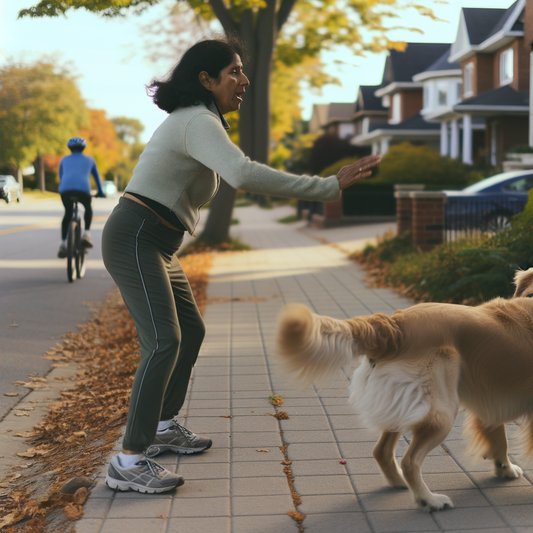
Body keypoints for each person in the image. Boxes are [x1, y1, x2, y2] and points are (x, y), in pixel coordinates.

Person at [101, 35, 381, 494]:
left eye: (242, 71)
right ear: (205, 79)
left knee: (190, 331)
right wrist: (327, 185)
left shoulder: (203, 120)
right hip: (136, 235)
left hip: (157, 241)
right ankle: (128, 460)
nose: (244, 80)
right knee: (163, 341)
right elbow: (244, 174)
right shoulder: (196, 121)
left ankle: (163, 425)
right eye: (234, 72)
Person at [57, 137, 106, 258]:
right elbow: (96, 178)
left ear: (70, 148)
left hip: (65, 190)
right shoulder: (90, 159)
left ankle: (63, 244)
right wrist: (100, 191)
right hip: (83, 190)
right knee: (88, 208)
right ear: (83, 147)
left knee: (68, 213)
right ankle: (86, 234)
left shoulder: (64, 159)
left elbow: (61, 176)